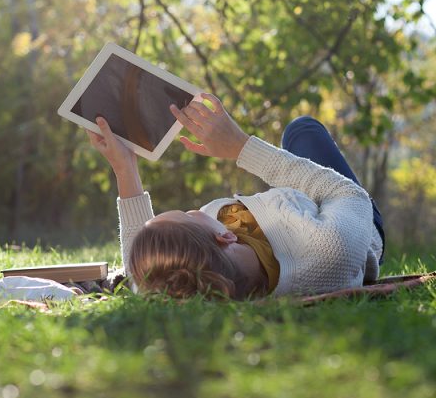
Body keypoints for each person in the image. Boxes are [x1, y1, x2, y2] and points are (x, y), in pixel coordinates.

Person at [87, 93, 385, 300]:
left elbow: (140, 273)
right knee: (302, 129)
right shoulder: (329, 247)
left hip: (299, 212)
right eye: (189, 214)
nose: (194, 210)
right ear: (225, 237)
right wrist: (241, 147)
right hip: (350, 220)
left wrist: (124, 166)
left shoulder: (196, 278)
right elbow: (347, 193)